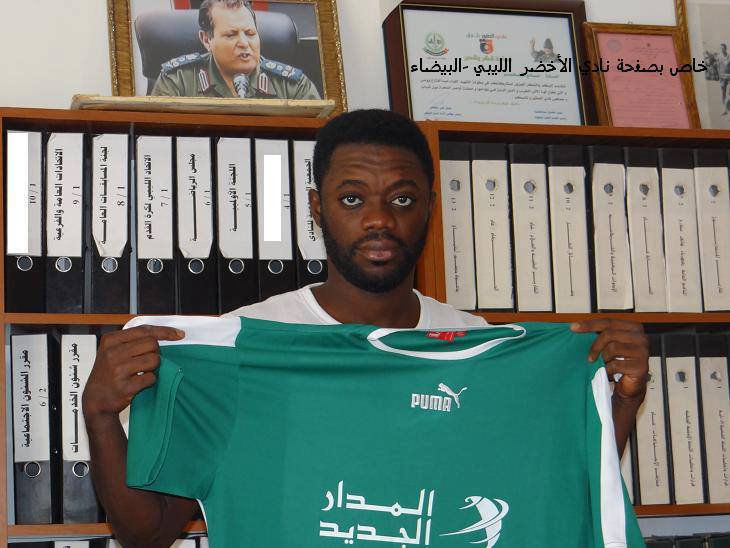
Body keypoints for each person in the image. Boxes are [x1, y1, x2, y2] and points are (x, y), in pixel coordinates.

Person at [82, 109, 649, 547]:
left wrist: (615, 402)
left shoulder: (483, 350)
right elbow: (148, 534)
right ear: (317, 208)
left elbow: (556, 495)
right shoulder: (243, 349)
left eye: (402, 199)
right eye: (352, 198)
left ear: (429, 207)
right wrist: (102, 415)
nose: (379, 219)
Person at [151, 0, 321, 99]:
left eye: (250, 33)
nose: (244, 43)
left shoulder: (293, 86)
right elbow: (160, 141)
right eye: (231, 35)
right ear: (207, 40)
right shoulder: (177, 80)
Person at [717, 44, 730, 115]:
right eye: (720, 48)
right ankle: (724, 109)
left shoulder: (729, 56)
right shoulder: (719, 57)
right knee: (723, 93)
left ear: (725, 49)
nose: (721, 50)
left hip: (729, 76)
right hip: (722, 77)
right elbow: (718, 67)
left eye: (723, 48)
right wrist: (719, 76)